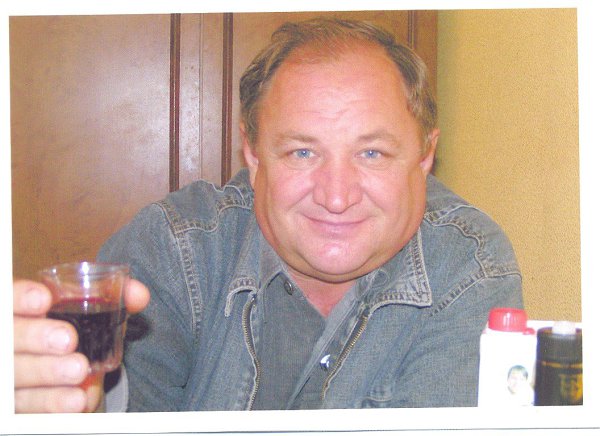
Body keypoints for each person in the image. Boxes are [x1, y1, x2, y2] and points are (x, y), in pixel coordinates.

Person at [13, 18, 523, 413]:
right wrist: (72, 405)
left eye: (372, 153)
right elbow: (102, 407)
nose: (337, 197)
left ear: (425, 156)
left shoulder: (467, 267)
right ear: (254, 156)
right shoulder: (172, 250)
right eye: (302, 152)